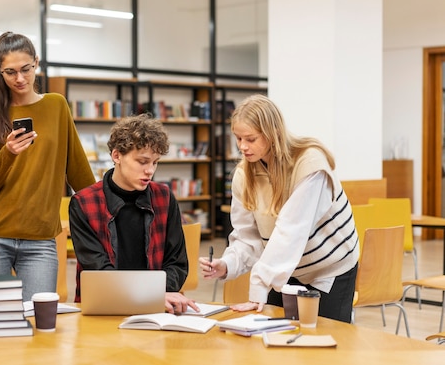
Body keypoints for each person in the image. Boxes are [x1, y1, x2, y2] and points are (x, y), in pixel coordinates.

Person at [199, 95, 358, 323]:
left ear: (272, 133)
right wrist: (227, 264)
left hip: (328, 269)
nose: (243, 146)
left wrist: (259, 286)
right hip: (286, 268)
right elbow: (248, 237)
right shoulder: (244, 175)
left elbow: (291, 231)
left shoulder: (309, 163)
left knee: (323, 339)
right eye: (238, 138)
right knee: (275, 336)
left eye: (251, 139)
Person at [0, 31, 95, 301]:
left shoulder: (56, 106)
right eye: (10, 72)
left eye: (26, 69)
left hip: (41, 240)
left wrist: (107, 212)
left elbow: (79, 172)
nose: (20, 79)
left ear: (37, 62)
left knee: (40, 323)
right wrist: (9, 153)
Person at [69, 113, 200, 314]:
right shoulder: (84, 203)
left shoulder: (164, 197)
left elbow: (177, 263)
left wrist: (156, 295)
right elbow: (98, 271)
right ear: (116, 156)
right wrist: (150, 295)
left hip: (156, 310)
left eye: (155, 162)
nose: (150, 170)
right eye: (142, 161)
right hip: (103, 307)